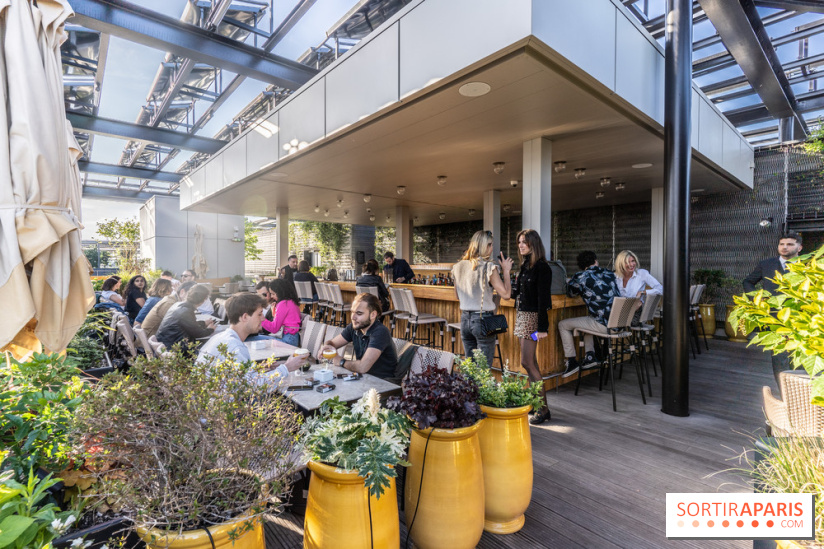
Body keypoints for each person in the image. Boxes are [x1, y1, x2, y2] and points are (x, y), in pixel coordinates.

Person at [196, 293, 305, 380]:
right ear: (244, 317)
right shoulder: (235, 347)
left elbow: (239, 377)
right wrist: (286, 368)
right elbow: (252, 386)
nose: (262, 319)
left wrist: (258, 368)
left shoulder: (221, 337)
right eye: (259, 314)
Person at [743, 232, 803, 385]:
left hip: (801, 318)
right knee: (779, 358)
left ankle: (800, 393)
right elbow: (748, 282)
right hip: (774, 318)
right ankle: (783, 392)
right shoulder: (766, 264)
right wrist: (757, 299)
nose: (784, 247)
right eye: (782, 244)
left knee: (800, 359)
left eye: (789, 244)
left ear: (799, 248)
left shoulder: (808, 264)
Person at [451, 230, 513, 367]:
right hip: (482, 320)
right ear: (483, 246)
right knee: (483, 369)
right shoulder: (488, 267)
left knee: (471, 367)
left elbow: (457, 296)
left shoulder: (457, 267)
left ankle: (468, 383)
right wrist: (506, 271)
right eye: (490, 245)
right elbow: (506, 295)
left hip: (465, 320)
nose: (491, 248)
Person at [558, 251, 622, 378]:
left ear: (581, 266)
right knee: (589, 319)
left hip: (605, 325)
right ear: (596, 261)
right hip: (619, 323)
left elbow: (570, 292)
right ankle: (590, 356)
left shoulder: (580, 276)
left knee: (562, 325)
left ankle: (571, 361)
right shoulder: (609, 273)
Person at [512, 229, 553, 425]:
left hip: (534, 321)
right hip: (522, 317)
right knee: (531, 363)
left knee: (527, 362)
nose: (520, 245)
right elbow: (515, 293)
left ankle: (543, 409)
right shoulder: (525, 266)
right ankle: (538, 405)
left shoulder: (542, 268)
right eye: (519, 242)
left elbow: (543, 300)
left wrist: (542, 328)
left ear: (533, 244)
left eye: (524, 242)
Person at [318, 293, 398, 380]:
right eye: (352, 312)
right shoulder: (355, 327)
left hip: (383, 382)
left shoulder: (380, 332)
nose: (353, 317)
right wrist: (327, 346)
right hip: (364, 378)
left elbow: (362, 367)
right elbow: (333, 343)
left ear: (373, 315)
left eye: (359, 313)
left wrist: (341, 362)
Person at [156, 284, 216, 351]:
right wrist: (211, 329)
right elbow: (198, 333)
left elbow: (189, 325)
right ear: (203, 300)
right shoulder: (185, 311)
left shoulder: (178, 304)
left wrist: (204, 323)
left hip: (166, 345)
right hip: (174, 350)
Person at [260, 279, 302, 347]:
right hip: (293, 338)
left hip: (288, 341)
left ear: (280, 292)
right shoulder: (291, 302)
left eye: (273, 294)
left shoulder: (283, 304)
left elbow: (274, 328)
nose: (272, 296)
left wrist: (262, 319)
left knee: (256, 338)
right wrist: (274, 311)